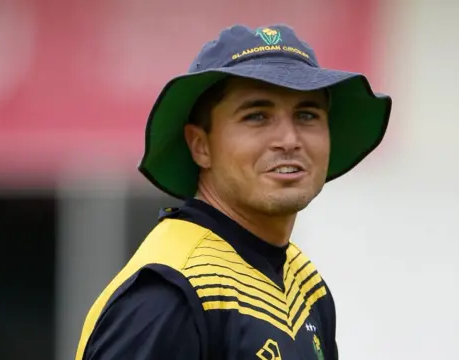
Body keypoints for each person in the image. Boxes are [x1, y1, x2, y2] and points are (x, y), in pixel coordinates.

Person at [75, 24, 391, 360]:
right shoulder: (173, 293)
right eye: (257, 116)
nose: (289, 139)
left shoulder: (304, 283)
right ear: (201, 146)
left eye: (306, 115)